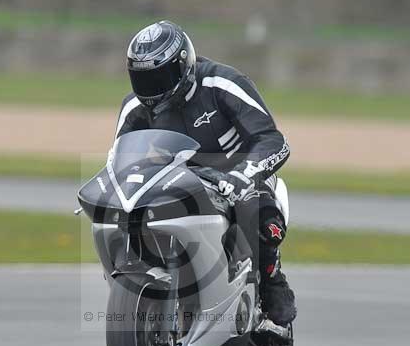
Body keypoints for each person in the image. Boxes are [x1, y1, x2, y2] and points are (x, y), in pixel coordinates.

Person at [114, 20, 296, 328]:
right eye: (145, 80)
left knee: (259, 214)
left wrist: (243, 174)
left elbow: (272, 140)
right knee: (125, 216)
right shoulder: (134, 107)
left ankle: (270, 277)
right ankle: (141, 291)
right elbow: (119, 160)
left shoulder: (221, 83)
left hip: (235, 180)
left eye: (162, 77)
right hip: (175, 184)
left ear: (184, 64)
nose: (153, 89)